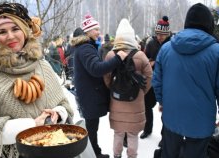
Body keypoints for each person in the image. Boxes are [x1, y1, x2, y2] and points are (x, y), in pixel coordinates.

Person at [0, 2, 77, 158]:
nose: (10, 36)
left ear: (25, 31)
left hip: (52, 150)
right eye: (2, 31)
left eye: (15, 28)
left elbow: (63, 104)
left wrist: (57, 114)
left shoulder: (42, 66)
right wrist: (32, 125)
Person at [152, 3, 219, 158]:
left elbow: (157, 81)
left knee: (169, 153)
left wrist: (162, 101)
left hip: (171, 117)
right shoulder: (216, 52)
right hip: (201, 123)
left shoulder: (166, 48)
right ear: (209, 24)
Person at [72, 14, 128, 158]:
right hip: (90, 95)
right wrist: (118, 58)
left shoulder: (85, 47)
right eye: (96, 29)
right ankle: (93, 155)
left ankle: (95, 153)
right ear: (88, 31)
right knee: (91, 128)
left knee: (92, 128)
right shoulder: (85, 48)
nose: (98, 32)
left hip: (88, 94)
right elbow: (96, 69)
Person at [103, 19, 152, 158]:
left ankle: (117, 155)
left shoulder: (111, 55)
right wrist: (141, 92)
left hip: (116, 101)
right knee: (132, 135)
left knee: (118, 134)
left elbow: (106, 76)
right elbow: (149, 77)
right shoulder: (141, 55)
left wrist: (113, 88)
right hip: (135, 102)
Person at [140, 16, 171, 139]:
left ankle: (165, 136)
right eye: (158, 34)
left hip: (166, 81)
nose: (159, 37)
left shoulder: (171, 44)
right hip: (152, 80)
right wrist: (148, 62)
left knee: (166, 109)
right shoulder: (151, 43)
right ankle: (147, 129)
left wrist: (156, 62)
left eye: (162, 34)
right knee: (147, 106)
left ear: (167, 33)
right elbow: (145, 58)